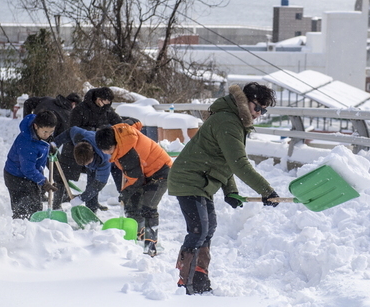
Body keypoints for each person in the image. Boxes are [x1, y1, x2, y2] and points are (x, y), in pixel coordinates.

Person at [167, 82, 280, 295]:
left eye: (264, 110)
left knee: (208, 228)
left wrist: (231, 191)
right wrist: (266, 190)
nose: (259, 114)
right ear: (246, 101)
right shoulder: (228, 121)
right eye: (258, 108)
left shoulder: (234, 120)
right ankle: (186, 283)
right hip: (189, 179)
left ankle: (199, 279)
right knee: (199, 229)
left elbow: (226, 160)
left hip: (201, 180)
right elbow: (238, 163)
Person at [95, 120, 173, 257]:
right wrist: (127, 195)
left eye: (108, 150)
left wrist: (124, 193)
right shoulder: (121, 132)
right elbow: (135, 123)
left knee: (148, 206)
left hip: (161, 172)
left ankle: (151, 243)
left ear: (114, 144)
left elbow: (136, 179)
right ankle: (138, 231)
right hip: (145, 170)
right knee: (131, 202)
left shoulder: (127, 154)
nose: (107, 153)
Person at [53, 87, 122, 210]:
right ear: (97, 99)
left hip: (97, 148)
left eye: (107, 104)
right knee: (63, 174)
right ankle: (57, 203)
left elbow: (118, 122)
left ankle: (92, 204)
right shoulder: (80, 109)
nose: (104, 106)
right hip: (77, 145)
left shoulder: (106, 110)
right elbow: (72, 128)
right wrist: (55, 143)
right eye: (103, 102)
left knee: (94, 176)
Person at [4, 111, 59, 220]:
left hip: (28, 174)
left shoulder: (38, 128)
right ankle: (21, 232)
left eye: (51, 132)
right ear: (36, 126)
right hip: (17, 177)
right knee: (25, 211)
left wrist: (50, 145)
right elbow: (28, 169)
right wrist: (44, 182)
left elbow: (45, 140)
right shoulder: (27, 145)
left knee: (35, 205)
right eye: (45, 132)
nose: (48, 135)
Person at [53, 126, 111, 213]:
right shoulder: (78, 137)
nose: (87, 165)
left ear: (93, 154)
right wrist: (54, 143)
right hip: (90, 146)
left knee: (93, 183)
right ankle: (91, 207)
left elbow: (98, 184)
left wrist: (81, 199)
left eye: (88, 162)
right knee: (91, 183)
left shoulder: (105, 158)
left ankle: (92, 209)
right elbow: (70, 131)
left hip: (109, 156)